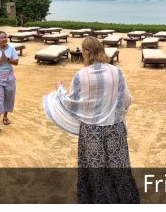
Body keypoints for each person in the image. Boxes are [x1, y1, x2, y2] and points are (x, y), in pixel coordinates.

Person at [42, 36, 139, 203]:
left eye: (82, 51)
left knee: (95, 169)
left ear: (87, 52)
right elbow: (126, 99)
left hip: (92, 131)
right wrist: (115, 112)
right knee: (118, 166)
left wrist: (59, 89)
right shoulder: (116, 71)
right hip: (115, 128)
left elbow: (71, 102)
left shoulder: (81, 75)